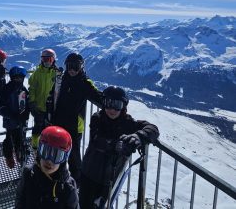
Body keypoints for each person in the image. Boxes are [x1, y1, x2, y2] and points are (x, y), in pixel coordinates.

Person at [79, 86, 160, 209]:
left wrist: (139, 136)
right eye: (108, 103)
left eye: (117, 105)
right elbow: (97, 141)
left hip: (109, 180)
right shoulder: (97, 118)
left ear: (123, 106)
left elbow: (153, 129)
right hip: (89, 174)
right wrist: (116, 146)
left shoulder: (128, 124)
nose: (112, 109)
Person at [46, 52, 103, 186]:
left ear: (81, 67)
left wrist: (114, 103)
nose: (72, 70)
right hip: (58, 124)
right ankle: (56, 183)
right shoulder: (61, 79)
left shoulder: (85, 83)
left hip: (74, 127)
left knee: (74, 159)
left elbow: (98, 98)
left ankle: (76, 187)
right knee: (56, 155)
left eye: (76, 66)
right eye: (69, 66)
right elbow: (52, 96)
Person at [15, 126, 79, 209]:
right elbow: (20, 198)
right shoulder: (29, 174)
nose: (49, 161)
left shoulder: (67, 187)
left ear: (63, 160)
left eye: (57, 156)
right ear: (39, 153)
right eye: (45, 152)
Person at [28, 48, 60, 150]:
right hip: (39, 106)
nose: (46, 62)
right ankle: (35, 146)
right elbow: (32, 87)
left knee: (50, 128)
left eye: (49, 59)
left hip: (52, 108)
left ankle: (47, 147)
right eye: (44, 59)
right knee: (38, 127)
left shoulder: (57, 73)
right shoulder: (37, 72)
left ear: (53, 60)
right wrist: (32, 102)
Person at [0, 66, 30, 169]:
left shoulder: (23, 89)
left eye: (20, 78)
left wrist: (26, 113)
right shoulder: (7, 89)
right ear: (12, 78)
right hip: (10, 121)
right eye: (16, 78)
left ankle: (19, 155)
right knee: (9, 139)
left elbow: (27, 103)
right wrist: (11, 115)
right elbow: (1, 106)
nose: (18, 80)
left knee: (20, 139)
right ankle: (9, 158)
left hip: (20, 121)